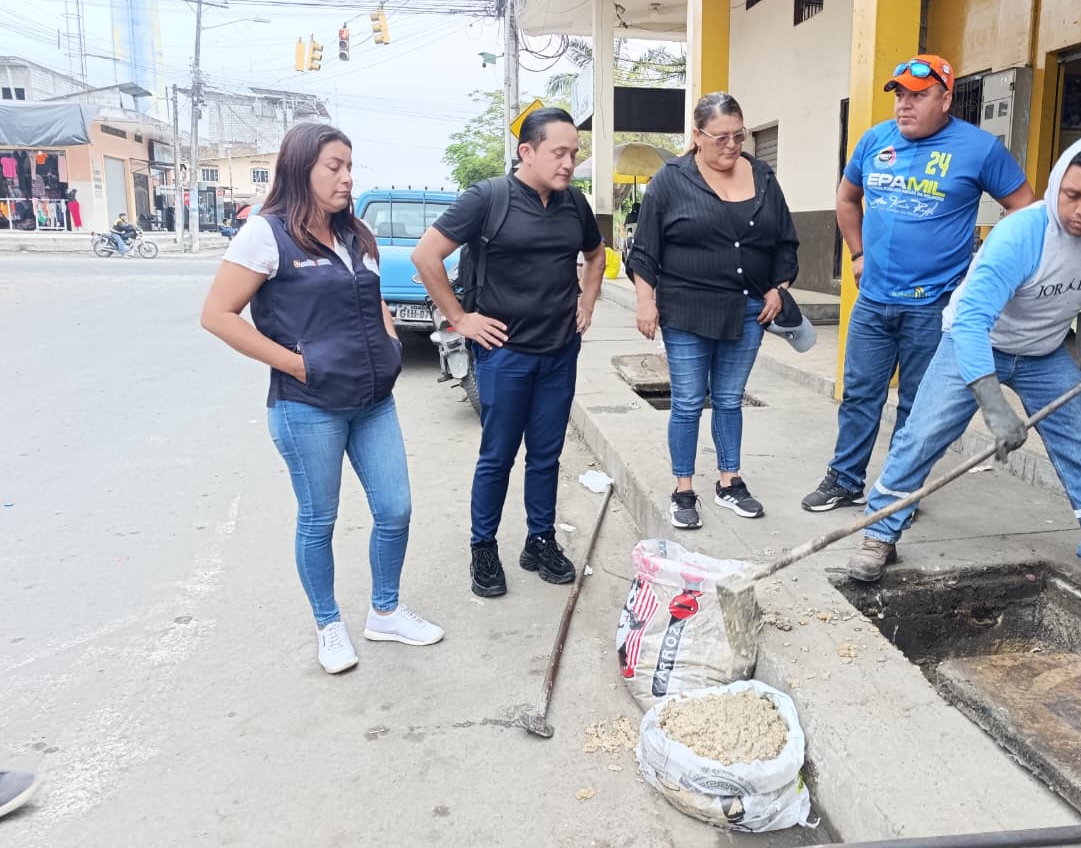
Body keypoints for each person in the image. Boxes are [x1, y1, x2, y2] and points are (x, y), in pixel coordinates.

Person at [846, 135, 1081, 615]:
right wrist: (994, 407)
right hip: (975, 341)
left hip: (1042, 352)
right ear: (1056, 186)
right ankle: (879, 533)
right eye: (1073, 195)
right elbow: (972, 322)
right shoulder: (1021, 235)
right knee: (923, 435)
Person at [200, 122, 442, 675]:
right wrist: (297, 365)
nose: (346, 177)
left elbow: (373, 298)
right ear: (300, 168)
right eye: (334, 167)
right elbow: (217, 315)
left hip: (373, 401)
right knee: (318, 518)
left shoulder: (357, 233)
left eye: (349, 166)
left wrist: (389, 343)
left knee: (395, 509)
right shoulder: (266, 235)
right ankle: (328, 623)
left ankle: (385, 611)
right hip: (307, 407)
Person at [802, 55, 1037, 514]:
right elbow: (847, 198)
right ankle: (845, 479)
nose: (904, 105)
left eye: (918, 95)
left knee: (919, 405)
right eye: (900, 95)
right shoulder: (875, 140)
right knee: (859, 395)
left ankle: (899, 490)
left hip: (935, 304)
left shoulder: (979, 148)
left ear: (946, 99)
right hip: (873, 301)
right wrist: (857, 254)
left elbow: (1024, 208)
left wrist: (984, 269)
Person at [412, 108, 606, 598]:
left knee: (546, 455)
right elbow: (426, 255)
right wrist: (461, 318)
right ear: (527, 152)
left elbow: (595, 254)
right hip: (505, 354)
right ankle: (483, 547)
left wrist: (586, 302)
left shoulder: (573, 203)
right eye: (559, 153)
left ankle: (539, 541)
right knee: (497, 456)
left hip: (559, 351)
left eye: (573, 153)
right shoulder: (488, 198)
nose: (569, 163)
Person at [626, 93, 799, 529]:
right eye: (721, 137)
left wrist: (778, 288)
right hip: (686, 309)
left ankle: (729, 482)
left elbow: (785, 242)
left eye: (739, 135)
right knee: (687, 401)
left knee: (728, 398)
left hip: (749, 309)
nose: (732, 145)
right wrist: (645, 300)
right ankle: (683, 489)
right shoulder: (670, 180)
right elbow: (645, 250)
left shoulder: (763, 176)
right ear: (697, 135)